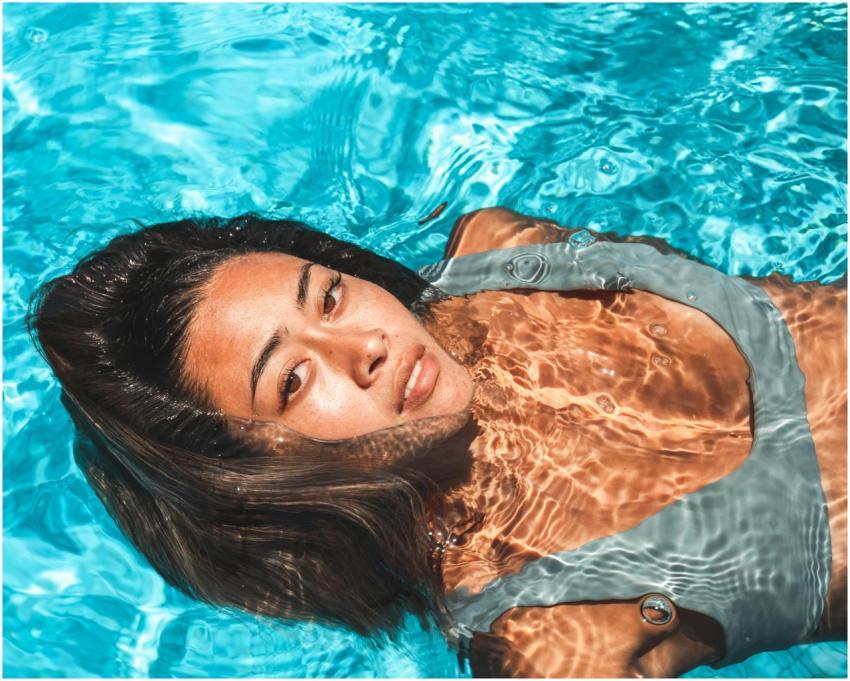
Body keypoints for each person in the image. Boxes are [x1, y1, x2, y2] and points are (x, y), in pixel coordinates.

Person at [29, 207, 846, 677]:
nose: (363, 347)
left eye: (329, 296)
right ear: (260, 475)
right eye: (292, 381)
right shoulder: (552, 628)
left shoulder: (505, 255)